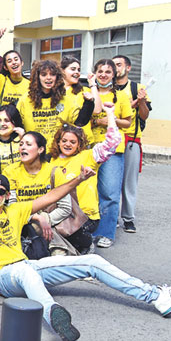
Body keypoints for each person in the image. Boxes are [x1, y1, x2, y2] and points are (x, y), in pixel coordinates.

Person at [0, 165, 171, 341]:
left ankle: (156, 297)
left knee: (92, 262)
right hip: (0, 277)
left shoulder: (16, 210)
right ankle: (53, 314)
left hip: (27, 266)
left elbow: (52, 196)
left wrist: (79, 179)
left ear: (7, 195)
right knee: (25, 272)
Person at [50, 103, 121, 253]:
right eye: (64, 141)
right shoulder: (50, 161)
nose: (67, 144)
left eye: (72, 142)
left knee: (73, 237)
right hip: (61, 213)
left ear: (79, 144)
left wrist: (110, 114)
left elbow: (113, 142)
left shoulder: (89, 157)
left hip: (85, 216)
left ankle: (86, 245)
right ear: (58, 142)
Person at [88, 59, 132, 248]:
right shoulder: (87, 93)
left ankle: (106, 233)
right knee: (90, 192)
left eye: (107, 72)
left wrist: (111, 119)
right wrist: (98, 122)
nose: (103, 75)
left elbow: (128, 122)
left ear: (114, 75)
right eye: (100, 71)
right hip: (90, 148)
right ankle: (89, 231)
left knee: (110, 192)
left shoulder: (121, 96)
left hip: (113, 150)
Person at [113, 54, 151, 234]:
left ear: (128, 68)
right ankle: (111, 217)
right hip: (110, 141)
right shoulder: (107, 88)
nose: (116, 68)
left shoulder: (138, 88)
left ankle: (128, 217)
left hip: (130, 141)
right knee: (110, 182)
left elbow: (144, 115)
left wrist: (141, 102)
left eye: (119, 64)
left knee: (129, 182)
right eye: (113, 65)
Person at [17, 60, 89, 142]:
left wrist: (89, 103)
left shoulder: (65, 99)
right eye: (44, 74)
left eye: (52, 74)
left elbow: (79, 122)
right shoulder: (25, 100)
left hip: (56, 148)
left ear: (57, 77)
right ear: (37, 77)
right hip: (34, 147)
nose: (48, 78)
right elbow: (17, 125)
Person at [0, 104, 25, 172]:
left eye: (6, 120)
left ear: (15, 123)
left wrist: (24, 141)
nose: (2, 124)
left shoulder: (22, 138)